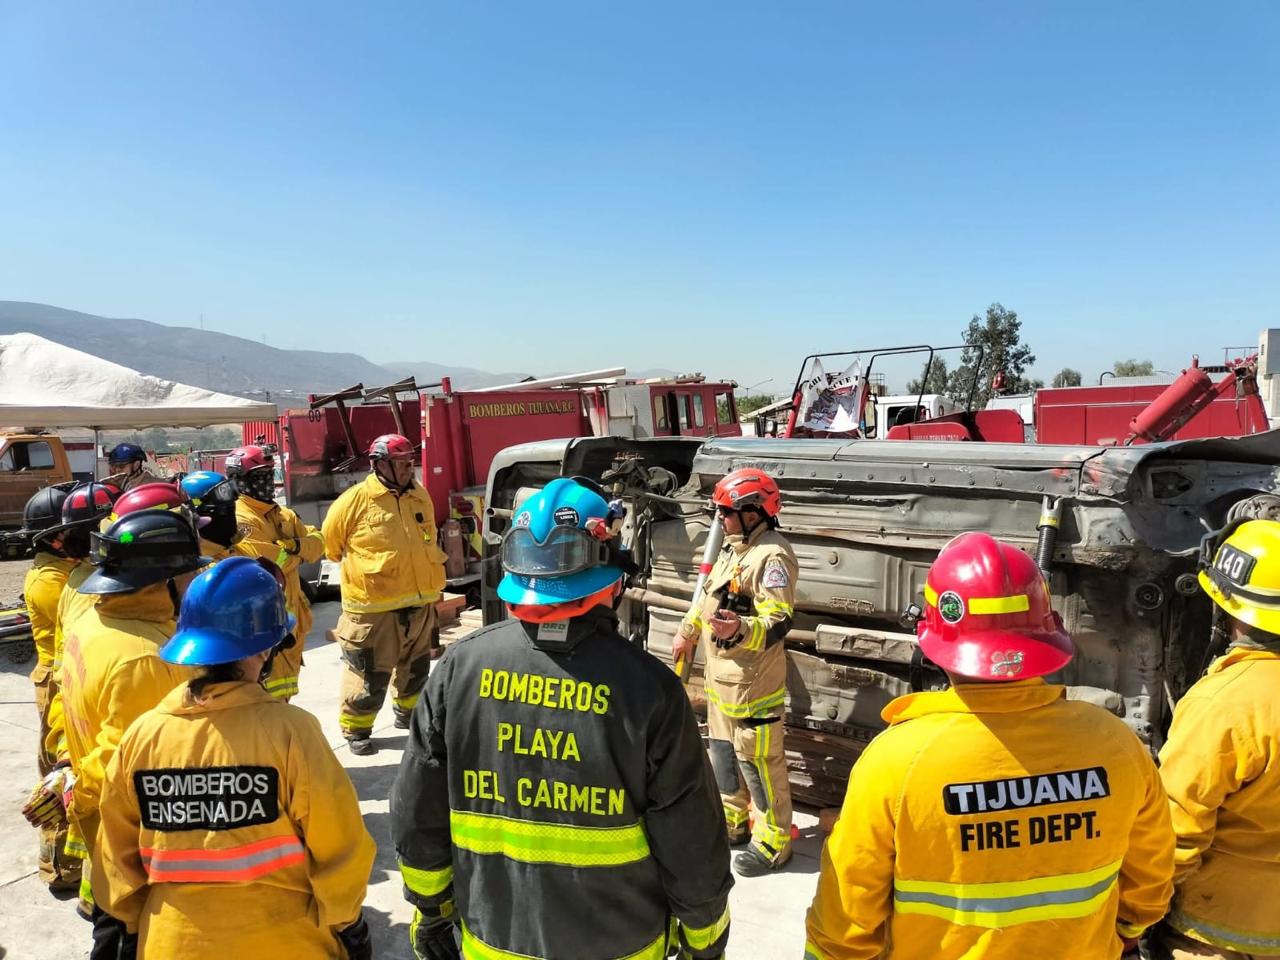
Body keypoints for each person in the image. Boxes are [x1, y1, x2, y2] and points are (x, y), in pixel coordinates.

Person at [390, 477, 733, 960]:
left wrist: (431, 910)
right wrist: (705, 939)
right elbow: (690, 837)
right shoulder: (650, 689)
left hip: (492, 944)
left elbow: (416, 812)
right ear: (611, 574)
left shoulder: (457, 669)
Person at [804, 532, 1175, 960]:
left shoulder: (897, 761)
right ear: (1045, 632)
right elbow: (1151, 873)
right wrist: (1128, 927)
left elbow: (847, 915)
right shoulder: (1116, 744)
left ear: (935, 641)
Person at [93, 556, 376, 960]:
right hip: (285, 943)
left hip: (171, 944)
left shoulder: (143, 735)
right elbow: (340, 847)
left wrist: (132, 925)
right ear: (265, 647)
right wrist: (348, 922)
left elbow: (116, 860)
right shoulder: (292, 732)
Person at [57, 511, 210, 955]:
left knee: (110, 922)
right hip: (137, 842)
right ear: (157, 580)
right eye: (186, 574)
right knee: (126, 936)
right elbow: (124, 765)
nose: (192, 584)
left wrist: (69, 774)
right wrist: (77, 792)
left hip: (105, 831)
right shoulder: (146, 658)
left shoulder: (92, 623)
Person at [1152, 519, 1280, 959]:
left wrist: (1137, 914)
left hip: (1224, 930)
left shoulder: (1227, 704)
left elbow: (1177, 828)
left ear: (1228, 611)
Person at [672, 467, 799, 876]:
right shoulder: (733, 547)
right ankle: (734, 825)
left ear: (753, 513)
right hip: (720, 686)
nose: (720, 520)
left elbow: (778, 621)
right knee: (723, 759)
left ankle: (774, 843)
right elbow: (707, 597)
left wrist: (741, 628)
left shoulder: (772, 556)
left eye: (726, 513)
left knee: (760, 766)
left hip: (752, 690)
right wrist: (687, 630)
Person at [322, 433, 447, 755]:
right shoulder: (355, 500)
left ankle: (409, 715)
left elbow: (426, 541)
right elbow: (331, 546)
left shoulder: (420, 495)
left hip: (419, 602)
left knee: (416, 667)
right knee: (369, 673)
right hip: (373, 608)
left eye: (410, 462)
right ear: (380, 464)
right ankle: (357, 729)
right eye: (401, 463)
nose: (409, 468)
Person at [19, 484, 80, 893]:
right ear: (58, 537)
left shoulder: (64, 569)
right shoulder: (50, 581)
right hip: (57, 685)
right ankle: (58, 868)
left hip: (68, 679)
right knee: (61, 782)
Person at [225, 445, 323, 700]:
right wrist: (298, 550)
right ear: (239, 481)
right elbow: (271, 564)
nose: (267, 482)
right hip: (265, 624)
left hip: (292, 622)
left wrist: (294, 547)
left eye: (269, 474)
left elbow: (318, 544)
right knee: (264, 698)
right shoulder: (242, 519)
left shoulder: (283, 514)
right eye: (259, 477)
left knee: (285, 694)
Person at [179, 470, 250, 560]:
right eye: (222, 493)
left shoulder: (240, 546)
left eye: (228, 491)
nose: (230, 506)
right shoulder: (204, 567)